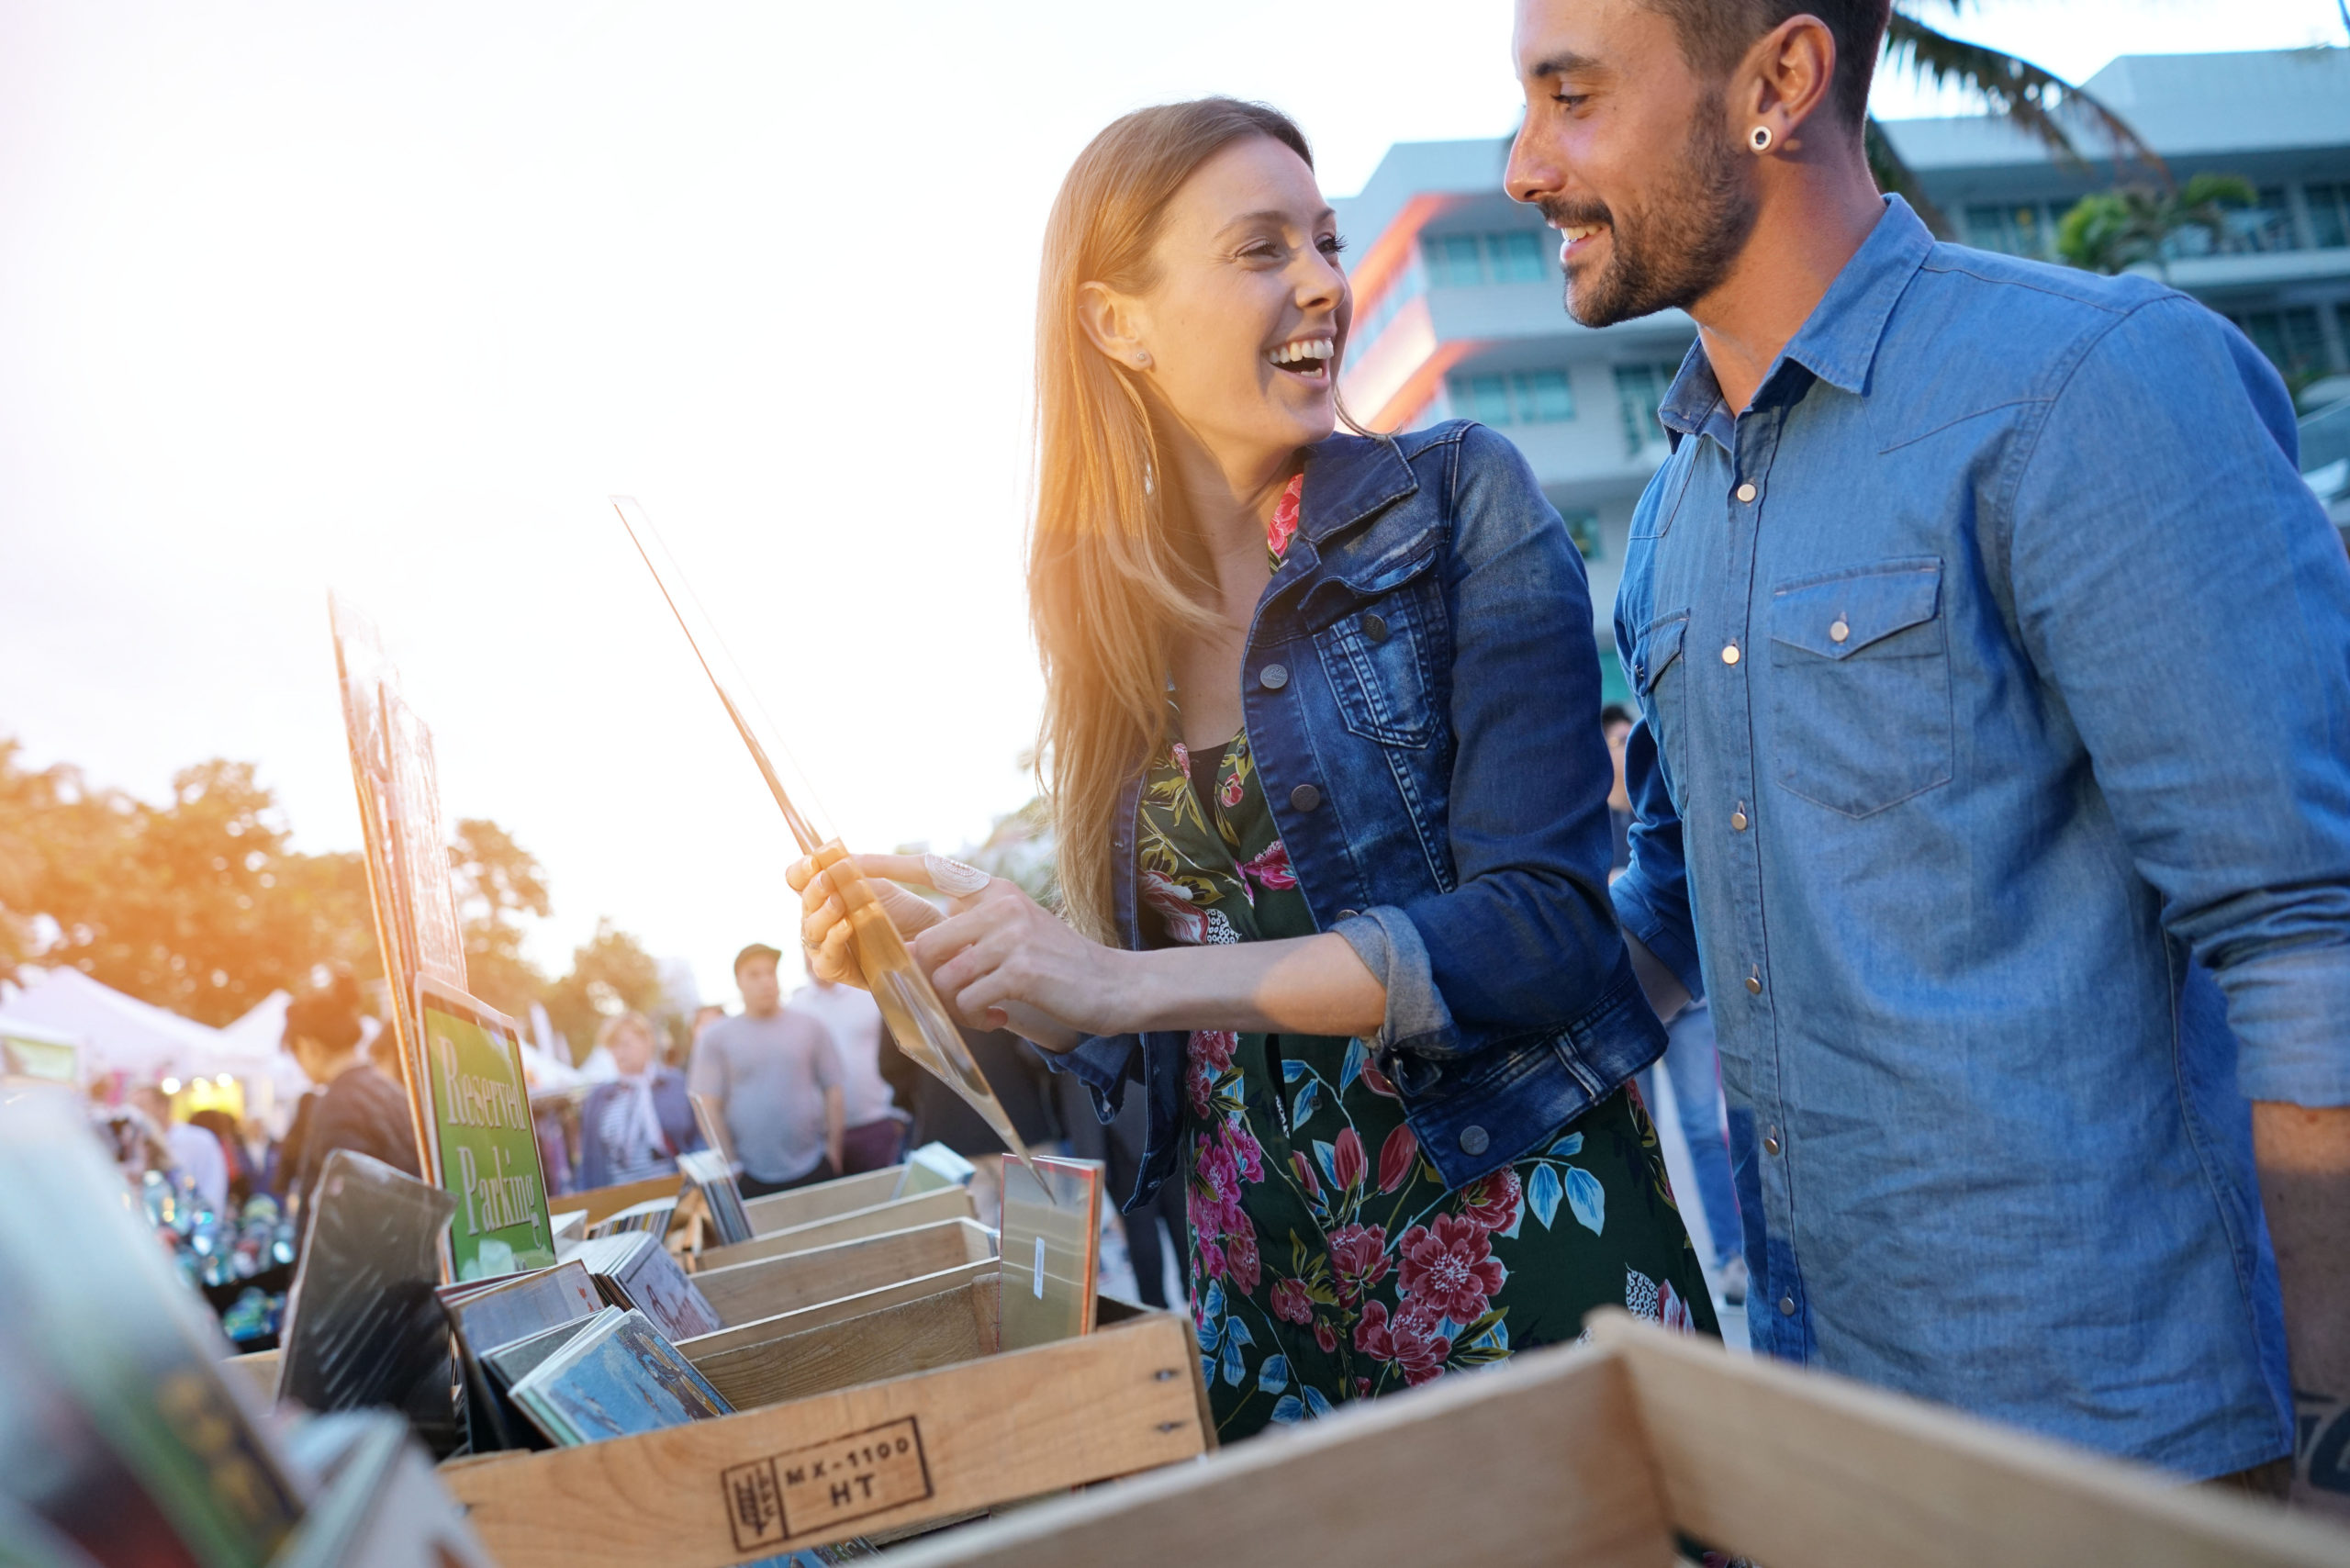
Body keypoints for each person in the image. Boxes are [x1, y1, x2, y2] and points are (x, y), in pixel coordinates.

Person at [1504, 0, 2350, 1509]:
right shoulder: (1674, 524)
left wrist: (2331, 1422)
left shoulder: (2093, 385)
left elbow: (2303, 926)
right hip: (1838, 1428)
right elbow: (1683, 914)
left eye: (1571, 98)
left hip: (2130, 1445)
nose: (1524, 164)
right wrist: (1368, 999)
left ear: (1778, 81)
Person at [792, 97, 1714, 1443]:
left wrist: (1113, 976)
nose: (1324, 286)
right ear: (1119, 320)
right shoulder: (1101, 599)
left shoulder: (1457, 498)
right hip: (1259, 1305)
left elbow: (1546, 934)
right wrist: (972, 954)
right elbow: (1165, 1018)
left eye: (1326, 243)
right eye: (1262, 248)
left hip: (1511, 1250)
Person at [688, 944, 845, 1196]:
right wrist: (731, 1165)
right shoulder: (716, 1037)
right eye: (754, 974)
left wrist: (833, 1150)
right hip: (750, 1174)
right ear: (738, 981)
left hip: (814, 1164)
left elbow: (833, 1088)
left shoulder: (809, 1026)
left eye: (770, 972)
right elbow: (706, 1105)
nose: (766, 981)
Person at [282, 971, 420, 1206]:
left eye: (295, 1054)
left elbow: (350, 1205)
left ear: (308, 1046)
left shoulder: (337, 1103)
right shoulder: (391, 1091)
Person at [790, 974, 911, 1172]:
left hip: (877, 1123)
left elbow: (901, 1050)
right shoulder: (796, 1006)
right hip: (823, 1135)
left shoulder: (869, 993)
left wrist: (899, 1113)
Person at [578, 1011, 702, 1190]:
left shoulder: (674, 1084)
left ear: (647, 1043)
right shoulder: (599, 1097)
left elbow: (697, 1136)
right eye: (613, 1046)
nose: (619, 1053)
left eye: (625, 1045)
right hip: (620, 1198)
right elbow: (590, 1159)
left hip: (675, 1190)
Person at [129, 1083, 229, 1214]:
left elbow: (213, 1188)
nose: (135, 1114)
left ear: (163, 1107)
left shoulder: (199, 1140)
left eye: (141, 1106)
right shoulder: (134, 1145)